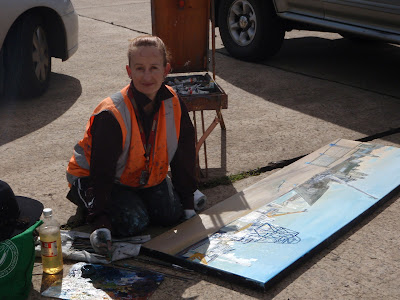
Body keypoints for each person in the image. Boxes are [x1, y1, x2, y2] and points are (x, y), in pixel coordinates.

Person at [66, 35, 197, 238]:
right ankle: (88, 204)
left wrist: (188, 202)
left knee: (171, 215)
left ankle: (135, 200)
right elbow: (102, 171)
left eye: (154, 68)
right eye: (139, 68)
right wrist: (99, 219)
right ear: (129, 71)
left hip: (138, 176)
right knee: (134, 223)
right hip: (94, 178)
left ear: (166, 70)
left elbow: (184, 154)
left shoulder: (174, 102)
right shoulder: (112, 113)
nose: (147, 77)